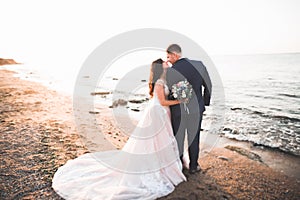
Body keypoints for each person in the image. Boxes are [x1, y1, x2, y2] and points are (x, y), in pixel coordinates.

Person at [52, 59, 186, 200]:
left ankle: (162, 164)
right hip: (158, 112)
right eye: (164, 62)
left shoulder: (163, 79)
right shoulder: (159, 82)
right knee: (155, 142)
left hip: (161, 112)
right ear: (160, 67)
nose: (167, 62)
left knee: (159, 141)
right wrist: (180, 101)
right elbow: (163, 101)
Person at [166, 44, 212, 174]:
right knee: (194, 137)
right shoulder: (199, 65)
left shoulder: (170, 71)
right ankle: (193, 166)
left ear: (175, 55)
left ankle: (180, 165)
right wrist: (204, 103)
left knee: (178, 138)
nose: (168, 60)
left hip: (178, 111)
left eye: (169, 56)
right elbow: (208, 86)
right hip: (196, 110)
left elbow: (170, 92)